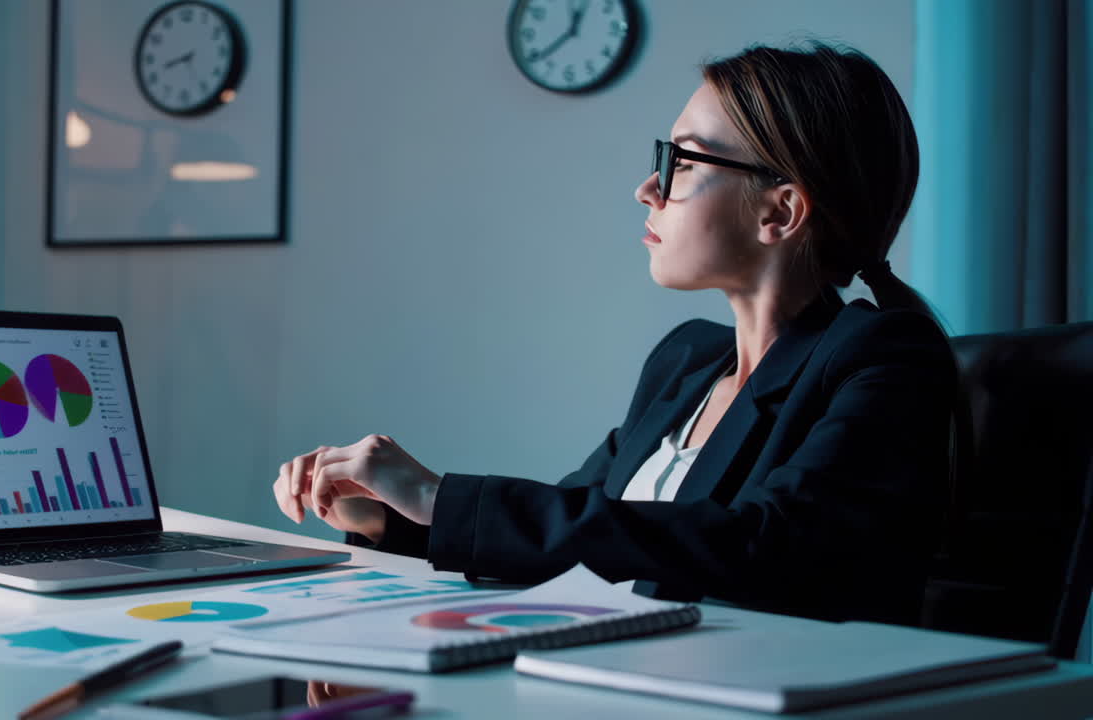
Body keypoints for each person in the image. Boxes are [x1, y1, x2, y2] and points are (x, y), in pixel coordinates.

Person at [272, 41, 957, 625]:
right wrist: (393, 518)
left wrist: (436, 496)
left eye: (683, 162)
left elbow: (769, 546)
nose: (648, 189)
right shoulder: (685, 361)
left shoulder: (885, 357)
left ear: (778, 212)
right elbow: (577, 534)